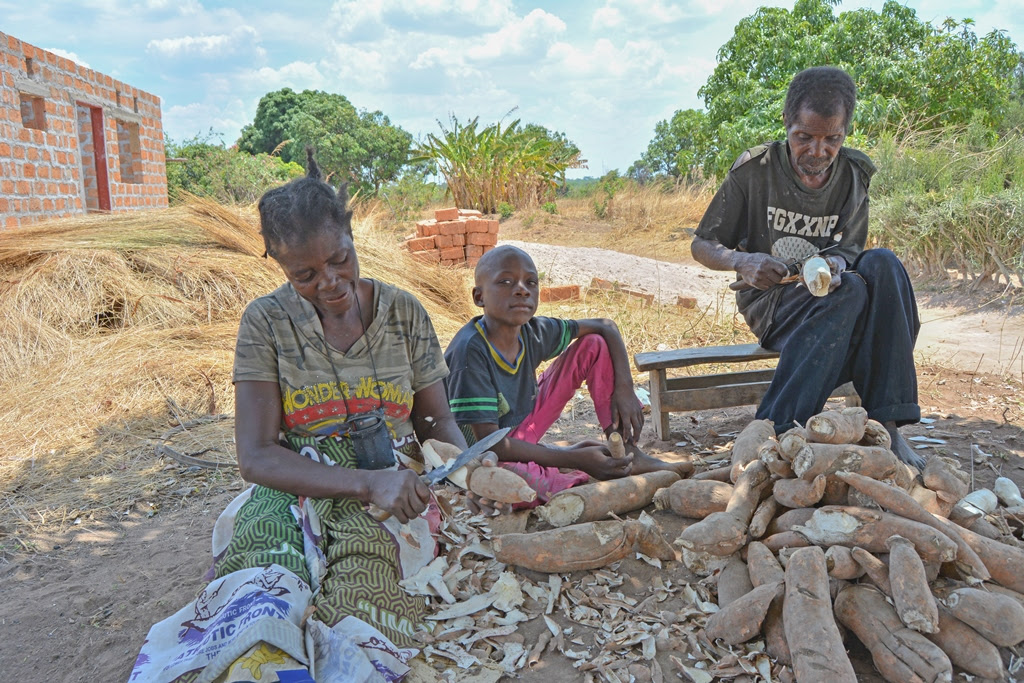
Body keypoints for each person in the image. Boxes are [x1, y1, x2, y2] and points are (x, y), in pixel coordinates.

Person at [130, 151, 481, 683]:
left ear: (351, 238)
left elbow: (435, 424)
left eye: (340, 259)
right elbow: (256, 456)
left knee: (368, 577)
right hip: (297, 477)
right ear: (278, 264)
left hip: (392, 479)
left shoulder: (404, 312)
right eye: (306, 274)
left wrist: (459, 475)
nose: (331, 282)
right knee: (263, 560)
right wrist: (365, 483)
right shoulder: (266, 323)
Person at [691, 66, 923, 468]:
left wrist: (835, 261)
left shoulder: (853, 174)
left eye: (832, 139)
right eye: (805, 137)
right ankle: (779, 427)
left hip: (835, 303)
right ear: (787, 123)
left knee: (883, 263)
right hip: (774, 303)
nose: (818, 151)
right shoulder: (755, 170)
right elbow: (701, 244)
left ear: (845, 132)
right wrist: (741, 261)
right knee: (850, 292)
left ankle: (888, 427)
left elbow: (852, 249)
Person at [444, 244, 688, 509]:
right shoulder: (470, 352)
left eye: (531, 282)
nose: (521, 289)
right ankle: (572, 464)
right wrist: (574, 460)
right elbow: (491, 443)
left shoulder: (533, 331)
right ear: (479, 297)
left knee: (594, 344)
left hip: (518, 431)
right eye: (505, 281)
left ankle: (625, 452)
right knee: (516, 488)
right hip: (484, 451)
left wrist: (625, 387)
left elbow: (605, 326)